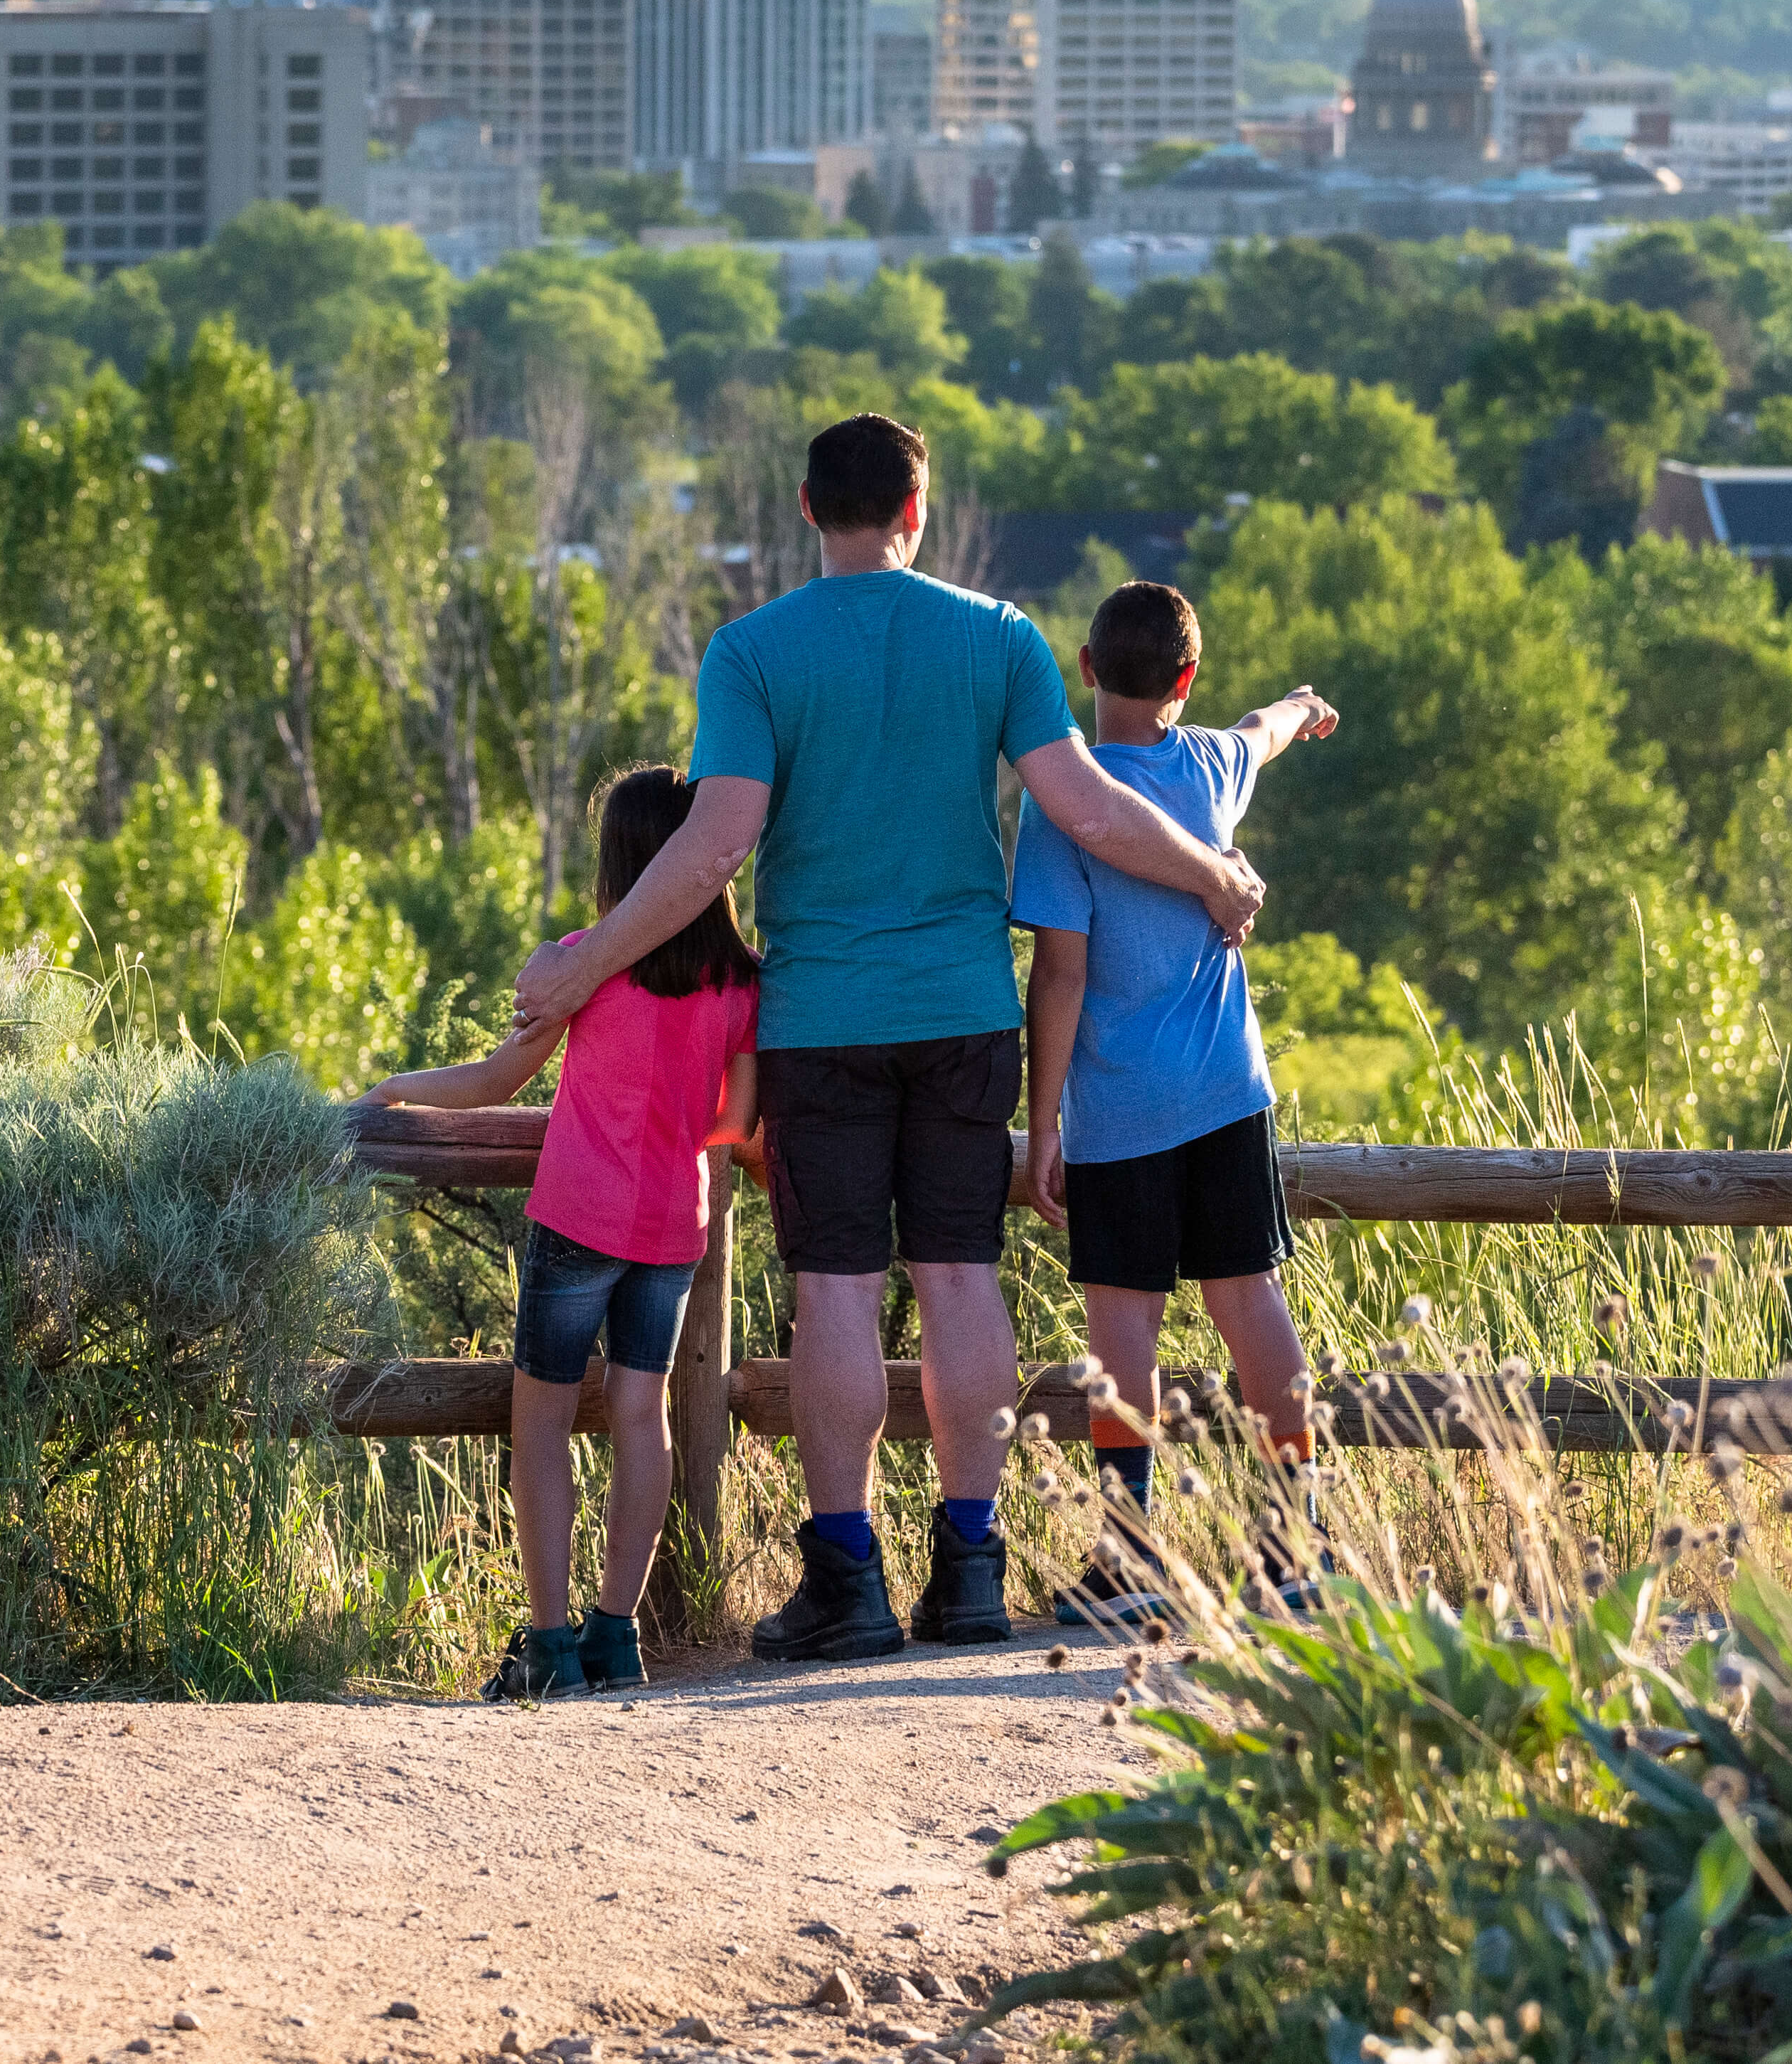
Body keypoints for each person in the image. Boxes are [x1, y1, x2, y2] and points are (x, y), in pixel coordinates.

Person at [513, 413, 1268, 1659]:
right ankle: (971, 1570)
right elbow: (1087, 807)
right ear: (918, 512)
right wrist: (1214, 878)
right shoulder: (1001, 638)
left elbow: (714, 847)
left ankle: (846, 1581)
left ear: (806, 509)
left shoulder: (752, 653)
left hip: (825, 1021)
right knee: (963, 1277)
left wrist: (581, 964)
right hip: (967, 1010)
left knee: (839, 1295)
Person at [370, 767, 761, 1701]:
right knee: (642, 1416)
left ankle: (548, 1646)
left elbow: (497, 1084)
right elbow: (738, 1126)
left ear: (620, 860)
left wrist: (392, 1092)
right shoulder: (745, 986)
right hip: (672, 1231)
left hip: (580, 1217)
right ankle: (616, 1637)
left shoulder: (581, 964)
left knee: (540, 1421)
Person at [1015, 580, 1335, 1627]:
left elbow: (1059, 976)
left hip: (1118, 1107)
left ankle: (1131, 1554)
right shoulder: (1210, 767)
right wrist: (1303, 702)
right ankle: (1297, 1543)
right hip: (1227, 1092)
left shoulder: (1064, 803)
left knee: (1124, 1334)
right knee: (1251, 1307)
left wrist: (1045, 1122)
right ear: (1186, 681)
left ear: (1086, 666)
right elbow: (1265, 731)